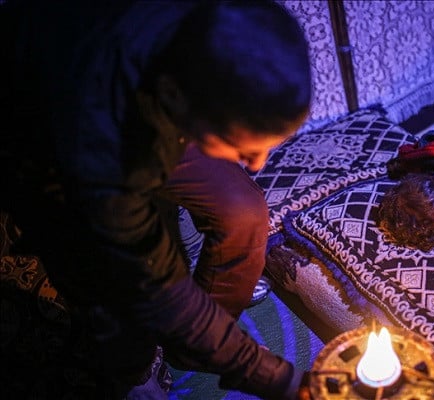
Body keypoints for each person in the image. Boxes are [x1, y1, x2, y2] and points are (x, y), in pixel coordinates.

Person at [1, 1, 312, 399]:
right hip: (46, 142)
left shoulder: (200, 32)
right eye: (241, 145)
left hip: (152, 85)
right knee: (114, 288)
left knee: (242, 208)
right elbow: (161, 287)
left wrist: (210, 337)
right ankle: (132, 370)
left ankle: (200, 346)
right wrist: (280, 381)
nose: (258, 163)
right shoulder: (101, 148)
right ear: (176, 103)